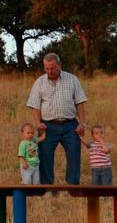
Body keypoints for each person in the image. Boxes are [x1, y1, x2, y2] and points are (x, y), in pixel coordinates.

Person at [26, 53, 88, 187]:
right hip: (48, 126)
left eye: (53, 68)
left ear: (59, 65)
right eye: (46, 68)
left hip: (71, 125)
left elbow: (80, 102)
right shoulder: (39, 83)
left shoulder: (72, 79)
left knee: (74, 156)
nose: (49, 71)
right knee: (45, 156)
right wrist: (38, 123)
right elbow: (35, 106)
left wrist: (82, 123)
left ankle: (73, 186)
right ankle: (47, 188)